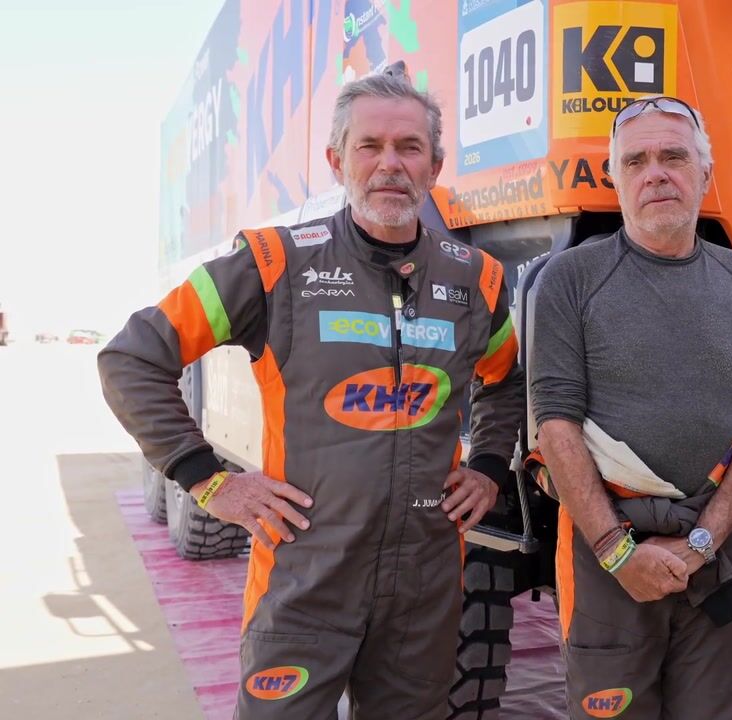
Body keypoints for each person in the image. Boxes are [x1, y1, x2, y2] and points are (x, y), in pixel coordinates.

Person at [98, 64, 524, 718]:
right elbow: (131, 358)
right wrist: (209, 480)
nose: (390, 164)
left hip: (425, 587)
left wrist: (490, 466)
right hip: (305, 582)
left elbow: (507, 378)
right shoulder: (273, 262)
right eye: (369, 146)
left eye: (410, 147)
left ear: (435, 166)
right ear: (336, 161)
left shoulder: (477, 279)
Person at [528, 96, 732, 720]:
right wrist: (617, 552)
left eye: (674, 157)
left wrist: (702, 542)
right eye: (635, 161)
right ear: (614, 177)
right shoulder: (569, 278)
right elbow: (554, 421)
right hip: (607, 549)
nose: (656, 174)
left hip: (715, 547)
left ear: (706, 173)